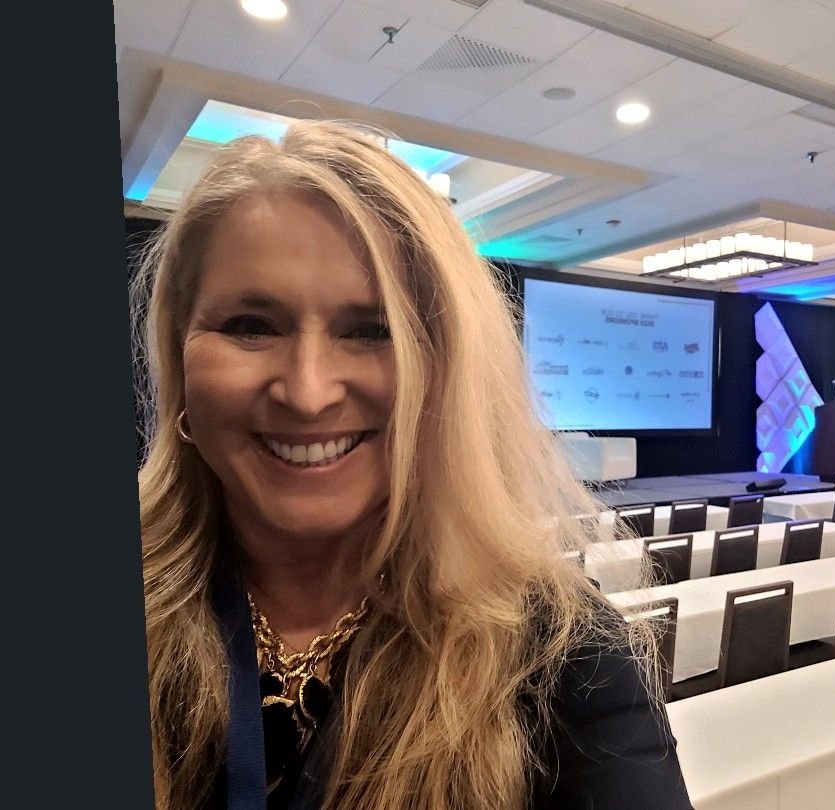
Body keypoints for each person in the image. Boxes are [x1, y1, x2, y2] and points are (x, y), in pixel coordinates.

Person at [131, 119, 692, 810]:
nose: (308, 393)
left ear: (449, 373)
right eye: (252, 326)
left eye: (374, 331)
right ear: (179, 359)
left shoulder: (567, 660)